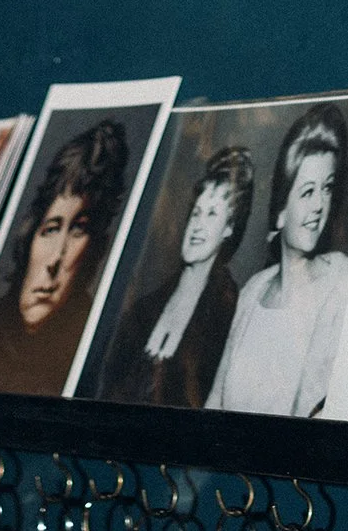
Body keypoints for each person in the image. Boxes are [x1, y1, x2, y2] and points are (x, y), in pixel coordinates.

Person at [0, 119, 130, 394]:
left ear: (95, 248)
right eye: (51, 228)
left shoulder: (97, 342)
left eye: (78, 231)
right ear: (30, 235)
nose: (55, 261)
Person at [205, 106, 348, 416]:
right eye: (307, 192)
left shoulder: (347, 279)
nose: (319, 205)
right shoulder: (252, 292)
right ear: (281, 208)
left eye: (327, 189)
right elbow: (214, 405)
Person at [92, 146, 256, 407]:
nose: (197, 225)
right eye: (196, 213)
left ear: (229, 227)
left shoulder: (227, 312)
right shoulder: (144, 308)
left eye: (212, 214)